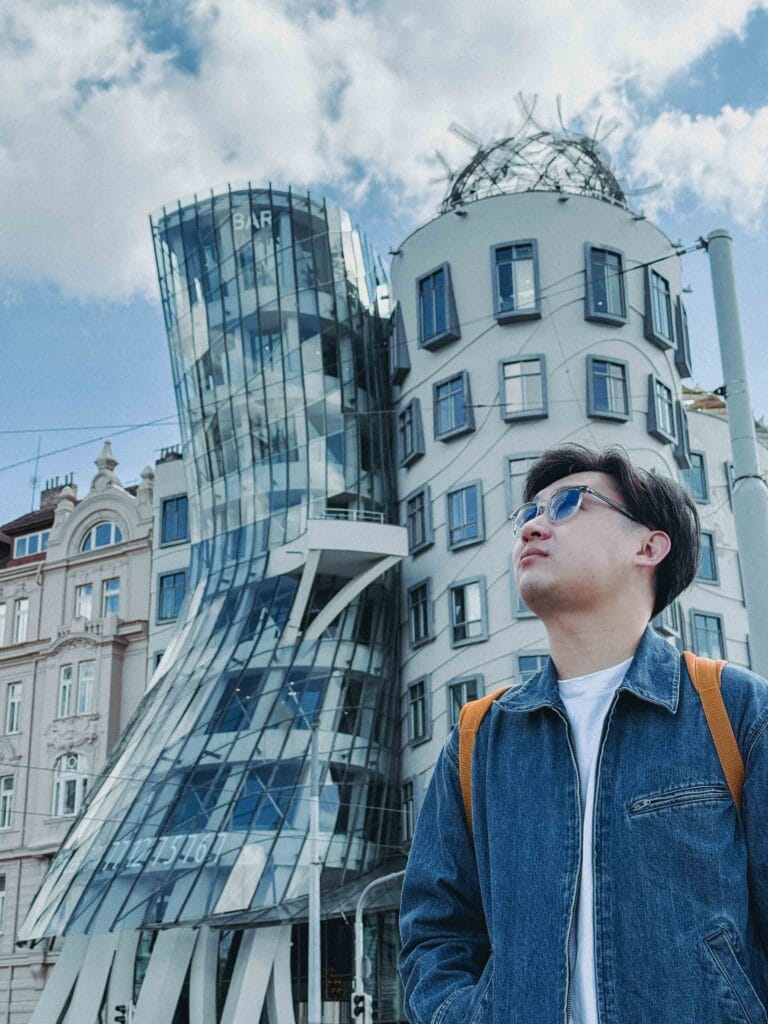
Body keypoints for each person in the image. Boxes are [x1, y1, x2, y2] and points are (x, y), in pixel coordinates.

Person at [398, 444, 768, 1024]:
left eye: (570, 504)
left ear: (649, 546)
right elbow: (434, 933)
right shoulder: (479, 740)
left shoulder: (735, 708)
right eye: (528, 515)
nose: (534, 526)